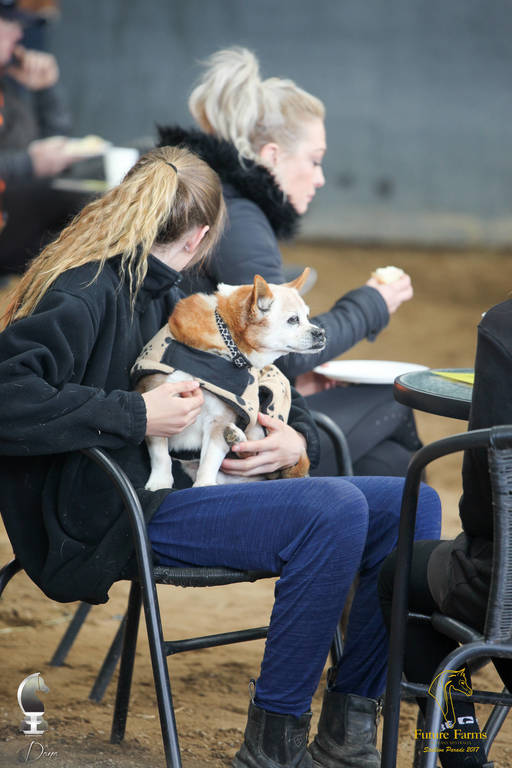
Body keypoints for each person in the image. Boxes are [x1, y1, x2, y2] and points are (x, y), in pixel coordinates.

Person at [0, 145, 441, 768]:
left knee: (410, 501)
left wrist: (297, 441)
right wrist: (135, 414)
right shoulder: (85, 291)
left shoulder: (186, 291)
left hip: (189, 484)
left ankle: (351, 731)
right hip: (111, 508)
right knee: (336, 509)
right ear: (203, 234)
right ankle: (272, 743)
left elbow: (258, 372)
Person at [158, 46, 421, 479]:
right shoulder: (239, 218)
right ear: (273, 156)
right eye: (314, 161)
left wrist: (296, 383)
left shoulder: (226, 201)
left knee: (389, 463)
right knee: (396, 403)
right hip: (218, 433)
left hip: (212, 407)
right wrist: (372, 303)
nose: (319, 178)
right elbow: (285, 351)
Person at [378, 299, 512, 768]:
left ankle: (460, 754)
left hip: (504, 588)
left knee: (401, 576)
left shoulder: (504, 324)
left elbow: (488, 493)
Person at [0, 0, 84, 273]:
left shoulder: (6, 88)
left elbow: (55, 142)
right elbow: (30, 162)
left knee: (81, 202)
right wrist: (29, 164)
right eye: (11, 24)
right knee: (70, 204)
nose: (19, 35)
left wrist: (46, 88)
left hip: (11, 219)